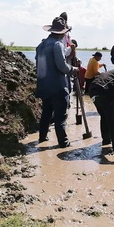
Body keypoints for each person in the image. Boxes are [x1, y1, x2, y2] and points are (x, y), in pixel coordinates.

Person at [36, 15, 78, 148]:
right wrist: (74, 69)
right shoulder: (57, 44)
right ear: (62, 33)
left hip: (44, 86)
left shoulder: (41, 45)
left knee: (46, 113)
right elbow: (62, 66)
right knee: (61, 116)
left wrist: (69, 51)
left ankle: (42, 137)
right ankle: (63, 143)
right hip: (57, 86)